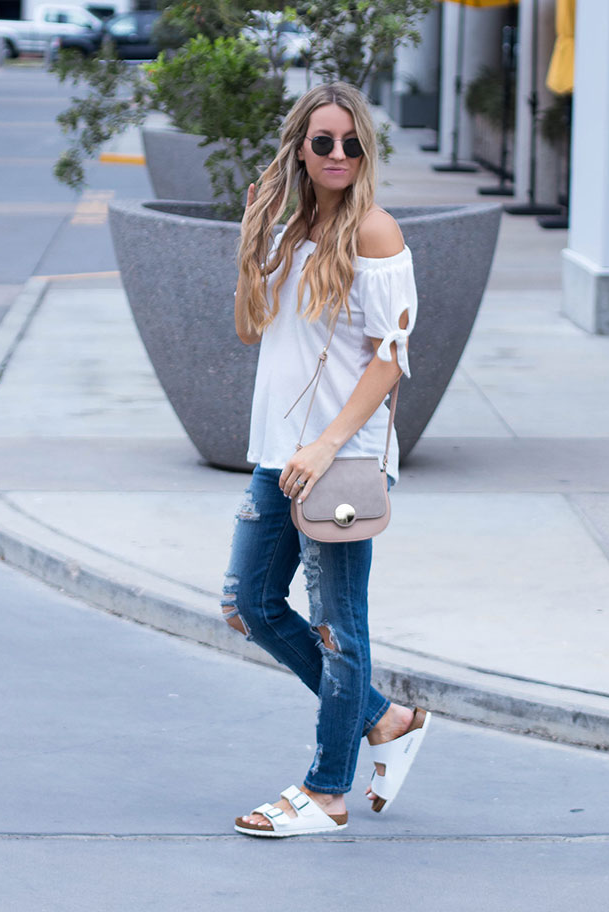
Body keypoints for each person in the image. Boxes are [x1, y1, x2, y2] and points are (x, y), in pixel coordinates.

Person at [223, 82, 431, 837]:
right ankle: (386, 719)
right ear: (300, 150)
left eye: (352, 143)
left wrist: (327, 443)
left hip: (335, 459)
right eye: (324, 142)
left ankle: (327, 791)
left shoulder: (375, 233)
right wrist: (252, 240)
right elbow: (252, 330)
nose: (338, 154)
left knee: (340, 627)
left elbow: (390, 359)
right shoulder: (288, 229)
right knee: (249, 604)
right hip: (280, 453)